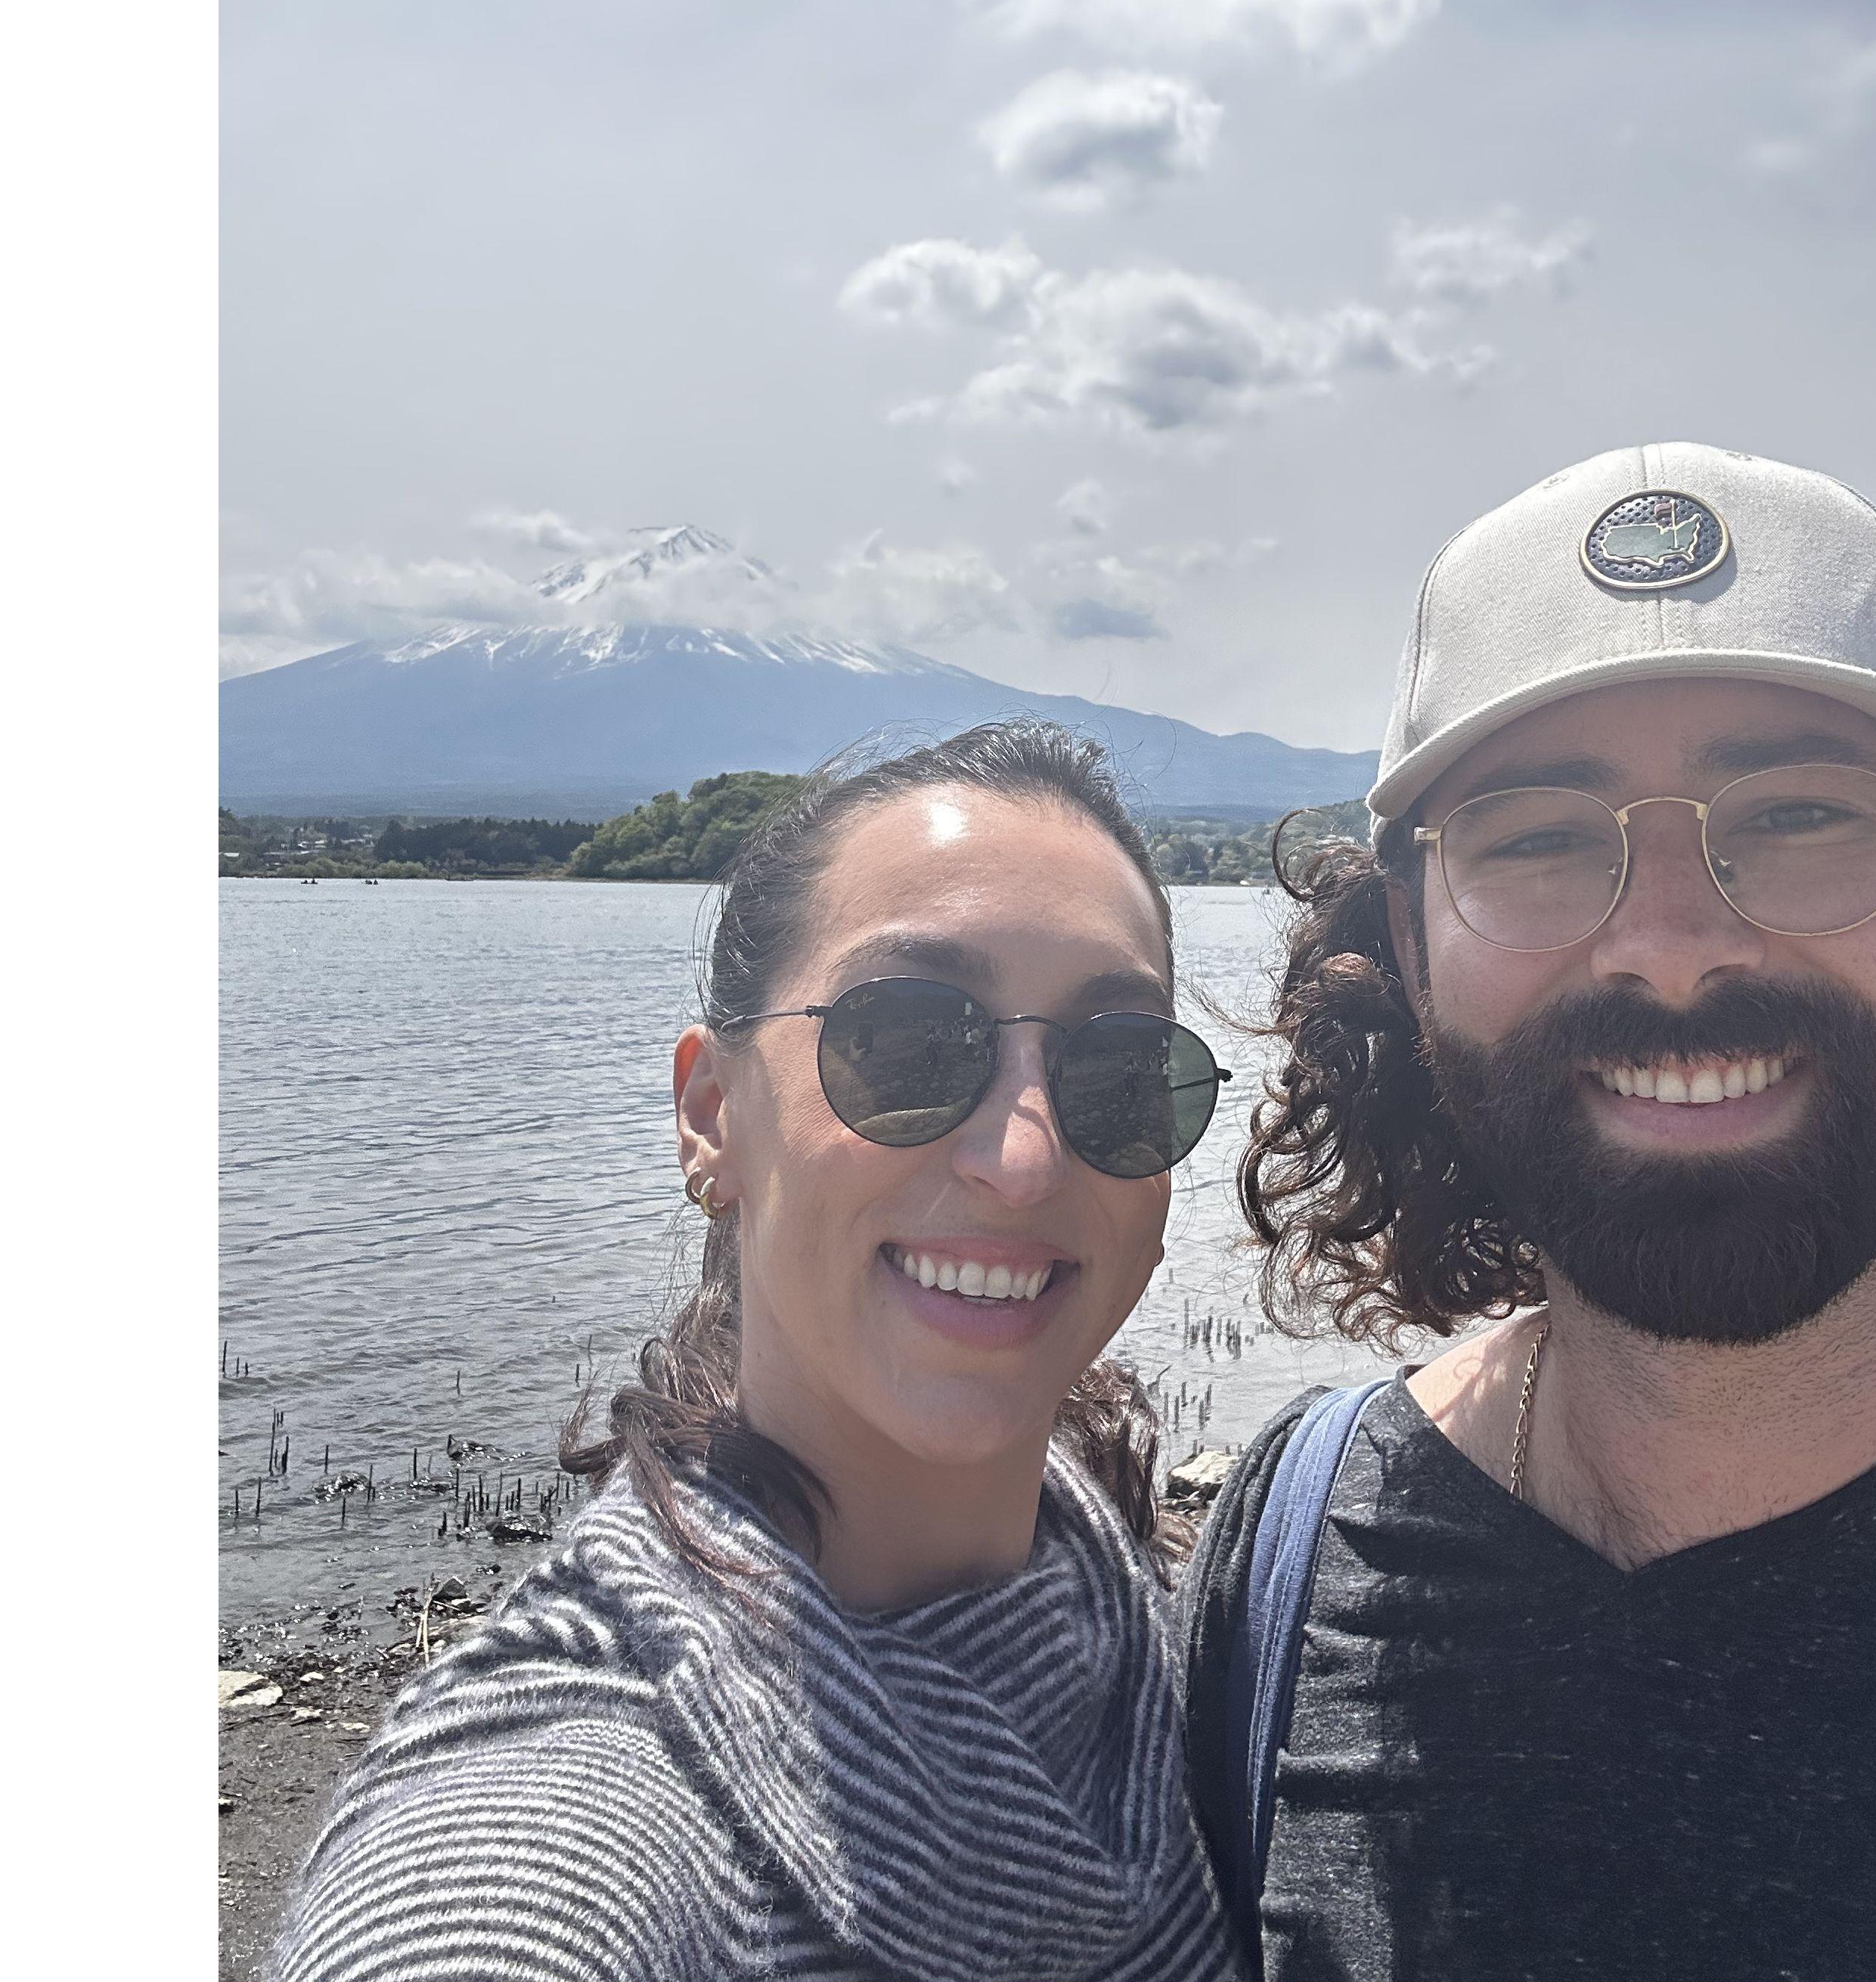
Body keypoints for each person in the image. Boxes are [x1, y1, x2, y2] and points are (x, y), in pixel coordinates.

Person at [272, 722, 1244, 1982]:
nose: (1021, 1159)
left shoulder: (1163, 1630)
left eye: (1118, 1070)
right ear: (713, 1116)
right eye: (905, 1045)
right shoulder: (559, 1829)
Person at [1177, 445, 1876, 1981]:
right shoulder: (1290, 1545)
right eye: (1537, 836)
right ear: (1408, 949)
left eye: (1800, 811)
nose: (1668, 948)